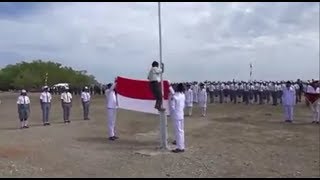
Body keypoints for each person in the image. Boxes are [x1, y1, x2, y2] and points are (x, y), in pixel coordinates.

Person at [170, 83, 186, 153]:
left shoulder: (175, 96)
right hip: (181, 114)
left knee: (178, 131)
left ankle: (180, 147)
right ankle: (180, 144)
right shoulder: (183, 95)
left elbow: (172, 107)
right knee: (181, 131)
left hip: (176, 115)